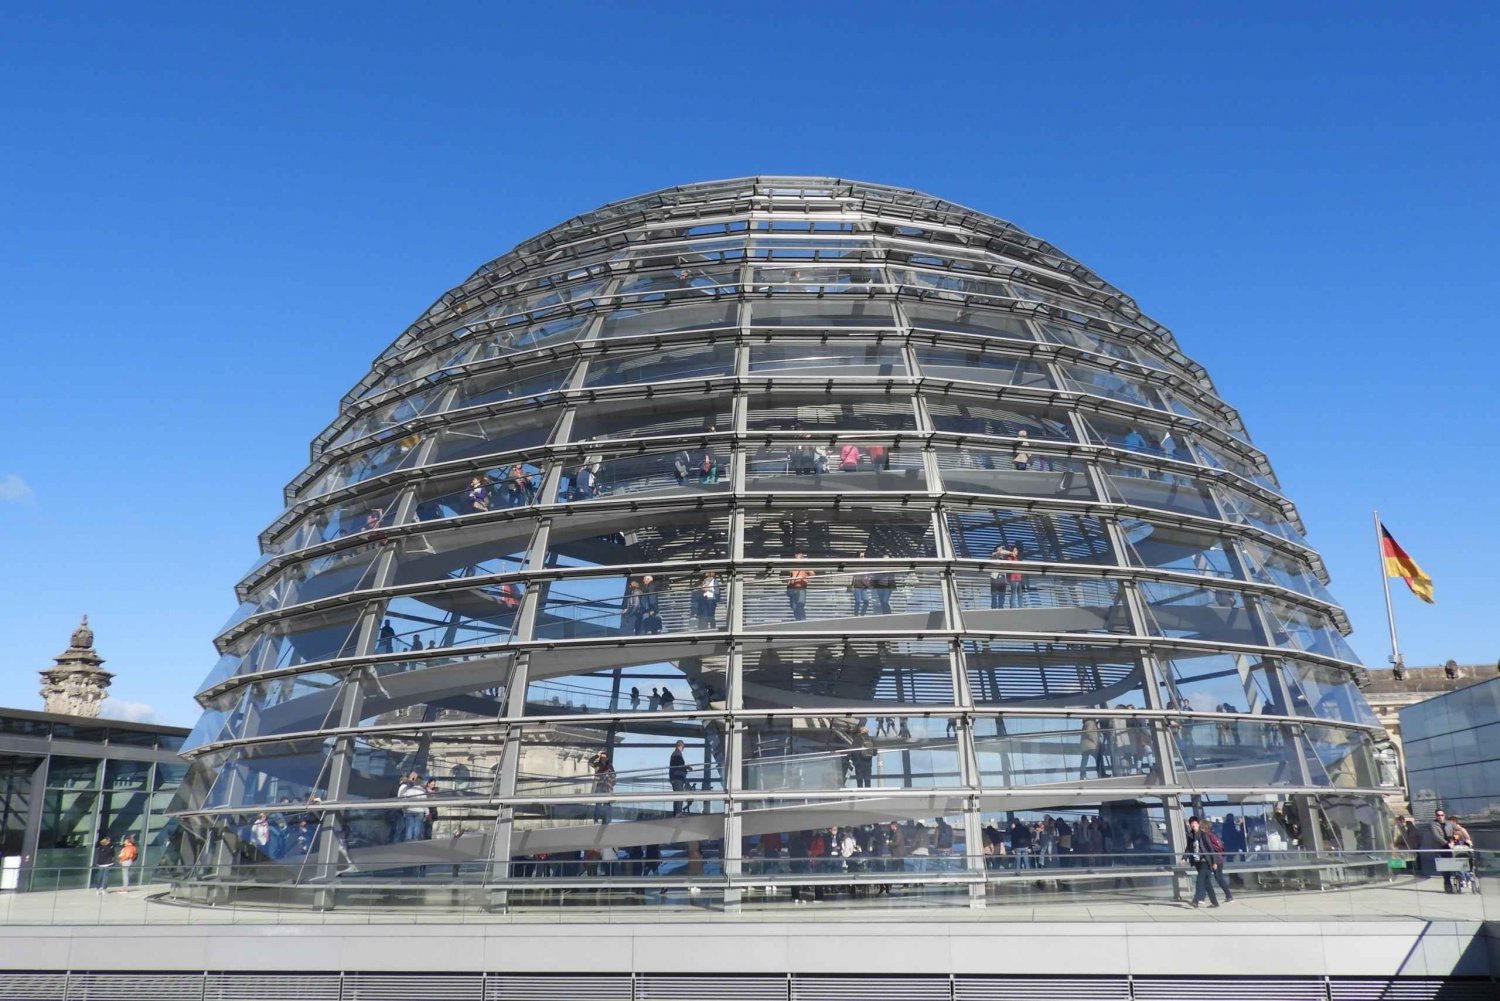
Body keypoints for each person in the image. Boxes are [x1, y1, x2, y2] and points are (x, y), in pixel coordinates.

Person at [1183, 816, 1220, 908]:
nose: (1193, 825)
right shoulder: (1190, 835)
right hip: (1197, 862)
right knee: (1207, 883)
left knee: (1199, 880)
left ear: (1198, 824)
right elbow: (1188, 848)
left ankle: (1196, 900)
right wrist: (1184, 858)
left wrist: (1214, 862)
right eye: (1192, 824)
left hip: (1205, 861)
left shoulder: (1203, 834)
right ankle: (1215, 902)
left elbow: (1210, 848)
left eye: (1195, 823)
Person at [1427, 809, 1462, 892]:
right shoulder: (1433, 824)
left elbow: (1458, 830)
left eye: (1442, 815)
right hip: (1440, 848)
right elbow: (1436, 836)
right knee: (1444, 867)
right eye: (1438, 815)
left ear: (1444, 815)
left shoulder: (1450, 823)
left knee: (1454, 865)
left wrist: (1456, 838)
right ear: (1436, 816)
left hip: (1451, 847)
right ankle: (1447, 884)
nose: (1440, 817)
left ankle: (1458, 881)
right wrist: (1447, 843)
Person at [1205, 822, 1235, 902]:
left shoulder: (1209, 836)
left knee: (1218, 878)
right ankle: (1228, 895)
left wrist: (1214, 861)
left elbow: (1213, 848)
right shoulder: (1213, 835)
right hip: (1217, 859)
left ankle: (1229, 895)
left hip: (1216, 859)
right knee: (1208, 877)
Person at [398, 772, 428, 843]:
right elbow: (425, 802)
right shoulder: (422, 790)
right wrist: (426, 812)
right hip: (419, 810)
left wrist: (404, 809)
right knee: (417, 827)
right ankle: (415, 841)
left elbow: (404, 798)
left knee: (409, 826)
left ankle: (408, 840)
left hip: (410, 809)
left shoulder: (408, 788)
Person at [786, 554, 813, 621]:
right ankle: (798, 620)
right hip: (792, 588)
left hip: (801, 588)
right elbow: (790, 577)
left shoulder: (805, 567)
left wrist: (806, 579)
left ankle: (803, 620)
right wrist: (788, 585)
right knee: (794, 606)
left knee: (800, 604)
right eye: (795, 558)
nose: (796, 560)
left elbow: (812, 574)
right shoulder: (793, 568)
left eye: (797, 558)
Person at [591, 751, 616, 824]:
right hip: (599, 785)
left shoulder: (610, 765)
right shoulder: (597, 765)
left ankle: (606, 819)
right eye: (601, 757)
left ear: (607, 758)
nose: (603, 759)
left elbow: (614, 775)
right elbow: (590, 762)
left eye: (604, 757)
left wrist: (609, 774)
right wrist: (596, 755)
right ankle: (596, 819)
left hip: (607, 786)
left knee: (607, 803)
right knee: (598, 803)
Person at [670, 740, 693, 815]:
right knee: (680, 795)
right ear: (681, 746)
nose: (684, 749)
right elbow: (679, 766)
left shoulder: (675, 753)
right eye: (683, 747)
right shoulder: (677, 754)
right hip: (677, 778)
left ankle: (676, 812)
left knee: (677, 796)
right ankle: (678, 813)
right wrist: (687, 767)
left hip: (675, 778)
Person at [851, 723, 876, 788]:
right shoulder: (871, 739)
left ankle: (860, 797)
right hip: (868, 763)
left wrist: (854, 760)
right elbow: (875, 752)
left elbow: (854, 751)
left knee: (859, 781)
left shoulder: (856, 739)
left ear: (860, 732)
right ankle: (868, 796)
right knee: (867, 781)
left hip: (859, 764)